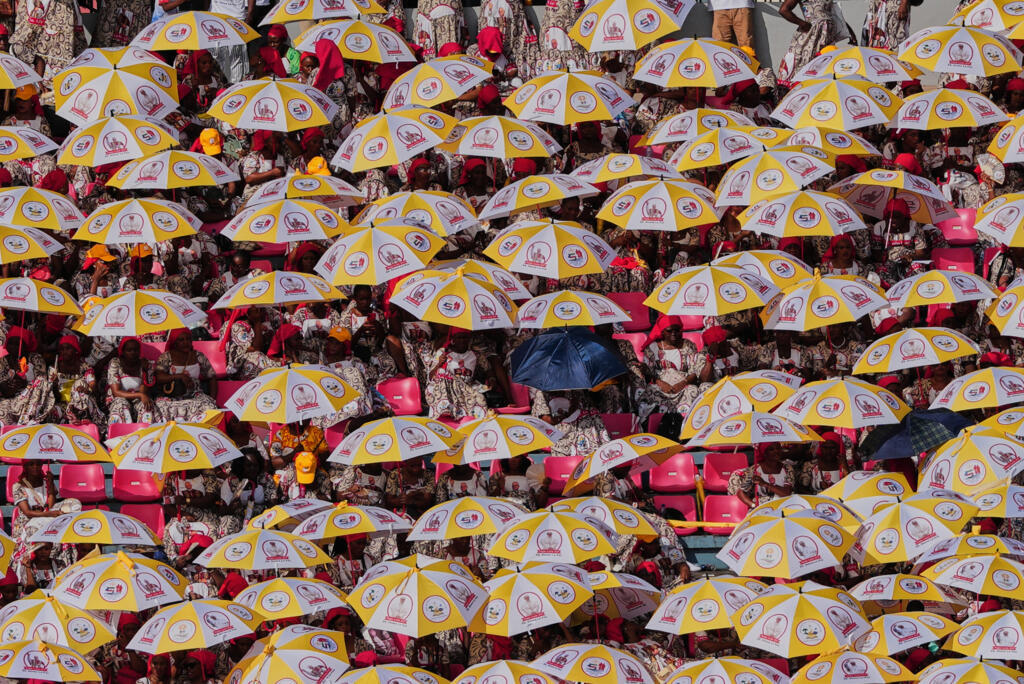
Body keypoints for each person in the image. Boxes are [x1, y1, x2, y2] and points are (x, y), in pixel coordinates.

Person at [153, 329, 218, 422]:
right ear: (175, 343)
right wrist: (180, 376)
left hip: (195, 394)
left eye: (188, 339)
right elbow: (159, 377)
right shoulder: (166, 357)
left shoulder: (198, 356)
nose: (185, 342)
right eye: (181, 340)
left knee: (209, 406)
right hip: (173, 395)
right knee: (161, 406)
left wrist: (212, 398)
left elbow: (212, 377)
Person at [106, 337, 158, 425]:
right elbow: (116, 392)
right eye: (129, 350)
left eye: (136, 350)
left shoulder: (145, 364)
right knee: (121, 406)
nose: (133, 353)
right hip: (119, 398)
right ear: (123, 351)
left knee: (147, 407)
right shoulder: (116, 363)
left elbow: (144, 391)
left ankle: (144, 434)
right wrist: (140, 395)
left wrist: (145, 371)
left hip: (137, 400)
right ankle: (120, 435)